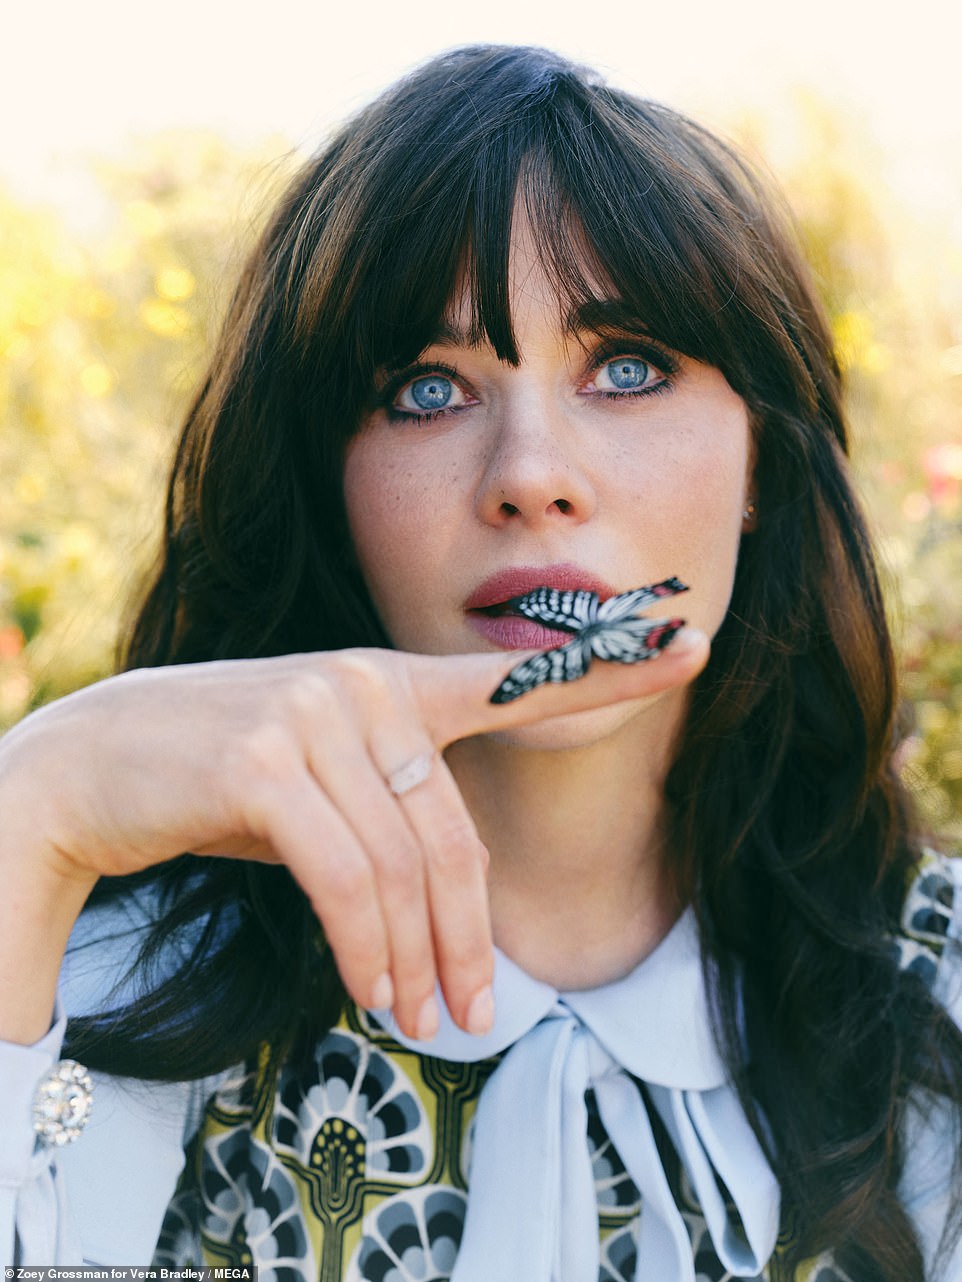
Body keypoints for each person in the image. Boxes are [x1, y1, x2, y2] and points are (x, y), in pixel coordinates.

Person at [1, 43, 960, 1282]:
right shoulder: (107, 988)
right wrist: (36, 804)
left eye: (626, 370)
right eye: (425, 390)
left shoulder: (930, 997)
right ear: (324, 481)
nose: (527, 476)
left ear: (761, 468)